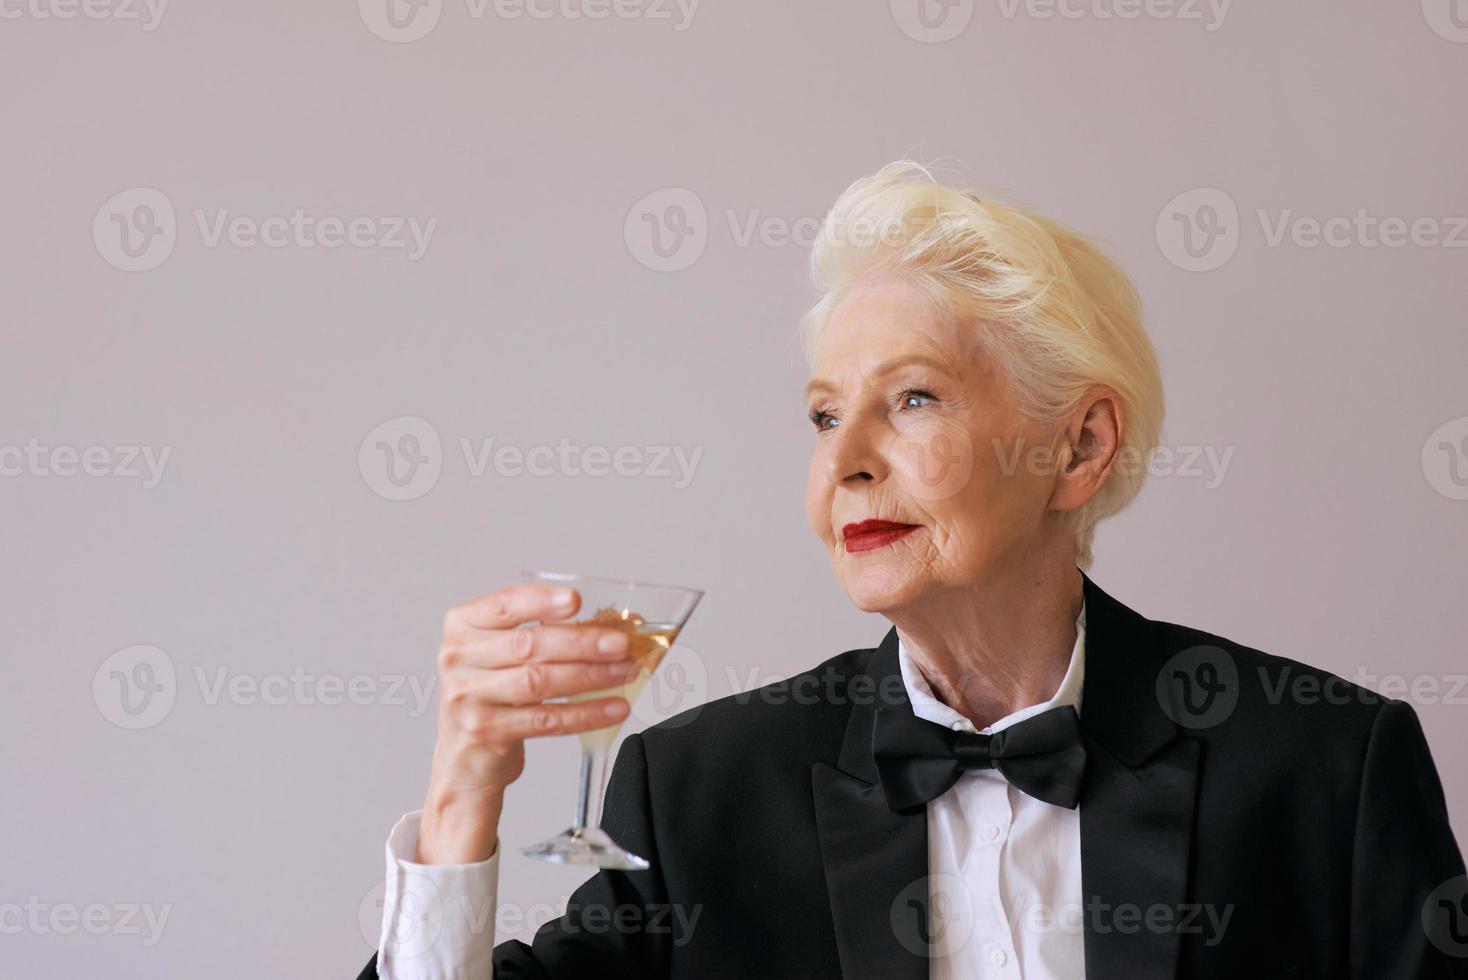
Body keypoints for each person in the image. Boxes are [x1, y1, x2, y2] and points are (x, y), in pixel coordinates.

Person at [355, 162, 1467, 979]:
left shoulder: (1325, 767)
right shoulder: (701, 791)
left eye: (913, 398)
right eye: (825, 414)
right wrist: (463, 795)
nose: (841, 462)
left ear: (1077, 448)